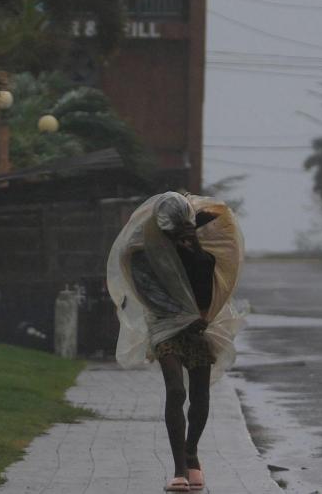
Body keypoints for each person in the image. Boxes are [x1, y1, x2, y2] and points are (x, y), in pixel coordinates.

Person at [106, 192, 245, 493]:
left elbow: (206, 287)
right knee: (176, 389)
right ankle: (179, 468)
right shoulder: (142, 250)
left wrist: (193, 250)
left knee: (200, 394)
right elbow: (148, 292)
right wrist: (182, 316)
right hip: (164, 326)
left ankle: (192, 452)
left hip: (197, 325)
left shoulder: (199, 250)